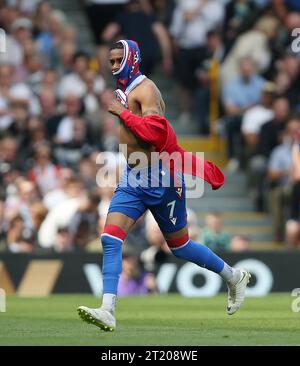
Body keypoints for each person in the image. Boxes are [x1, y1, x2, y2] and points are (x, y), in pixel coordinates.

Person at [77, 40, 251, 332]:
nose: (114, 65)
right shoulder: (127, 90)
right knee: (110, 239)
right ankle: (108, 310)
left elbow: (156, 134)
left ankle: (234, 276)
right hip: (133, 177)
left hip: (161, 177)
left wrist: (122, 113)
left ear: (133, 58)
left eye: (119, 59)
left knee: (180, 246)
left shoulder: (147, 90)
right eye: (110, 61)